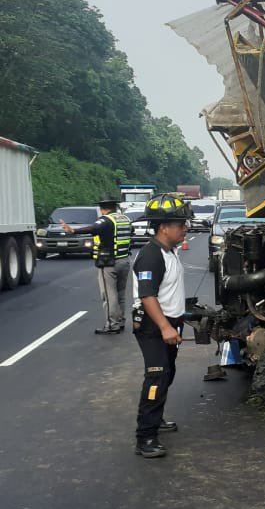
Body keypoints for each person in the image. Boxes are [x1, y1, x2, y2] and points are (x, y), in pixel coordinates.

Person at [130, 193, 193, 459]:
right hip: (153, 327)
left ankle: (156, 417)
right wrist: (165, 327)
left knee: (167, 373)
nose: (185, 228)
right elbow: (147, 296)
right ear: (164, 227)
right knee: (156, 376)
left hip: (170, 323)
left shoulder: (169, 251)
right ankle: (145, 438)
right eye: (180, 224)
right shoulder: (150, 256)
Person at [61, 195, 133, 334]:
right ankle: (121, 320)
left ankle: (112, 325)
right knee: (120, 293)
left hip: (109, 263)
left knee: (108, 294)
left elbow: (94, 228)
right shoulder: (125, 219)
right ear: (115, 207)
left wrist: (73, 230)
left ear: (102, 209)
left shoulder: (106, 220)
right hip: (124, 260)